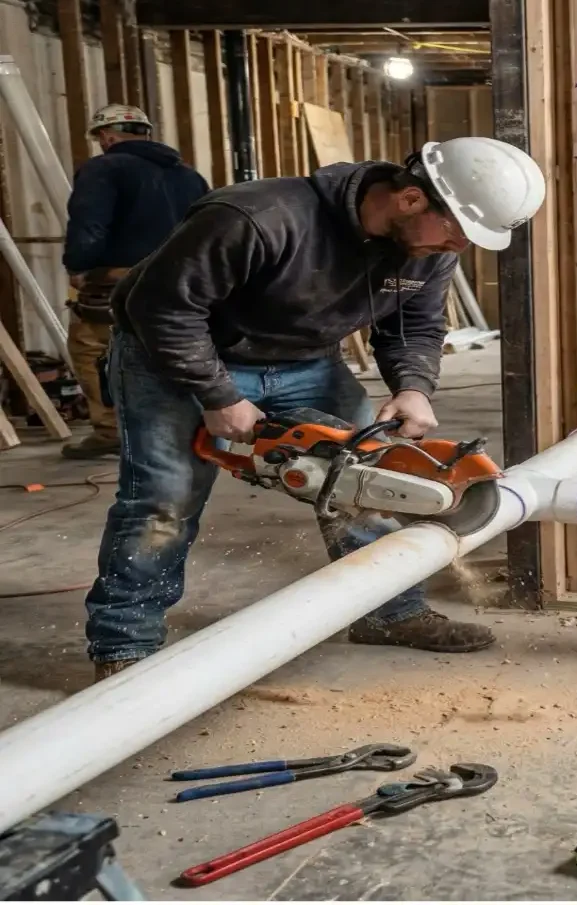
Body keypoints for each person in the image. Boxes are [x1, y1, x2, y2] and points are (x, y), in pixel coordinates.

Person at [84, 137, 546, 682]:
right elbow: (162, 307)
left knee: (373, 474)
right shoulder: (257, 217)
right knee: (164, 499)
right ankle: (125, 646)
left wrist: (414, 386)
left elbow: (414, 326)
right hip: (173, 353)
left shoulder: (427, 251)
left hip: (303, 358)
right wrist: (218, 395)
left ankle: (387, 612)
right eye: (456, 231)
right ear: (411, 200)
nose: (459, 248)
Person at [61, 104, 209, 459]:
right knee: (172, 347)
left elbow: (89, 224)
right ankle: (179, 426)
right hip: (183, 279)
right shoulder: (189, 176)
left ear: (108, 136)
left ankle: (112, 430)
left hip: (120, 279)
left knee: (93, 348)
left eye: (100, 138)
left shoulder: (104, 168)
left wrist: (78, 266)